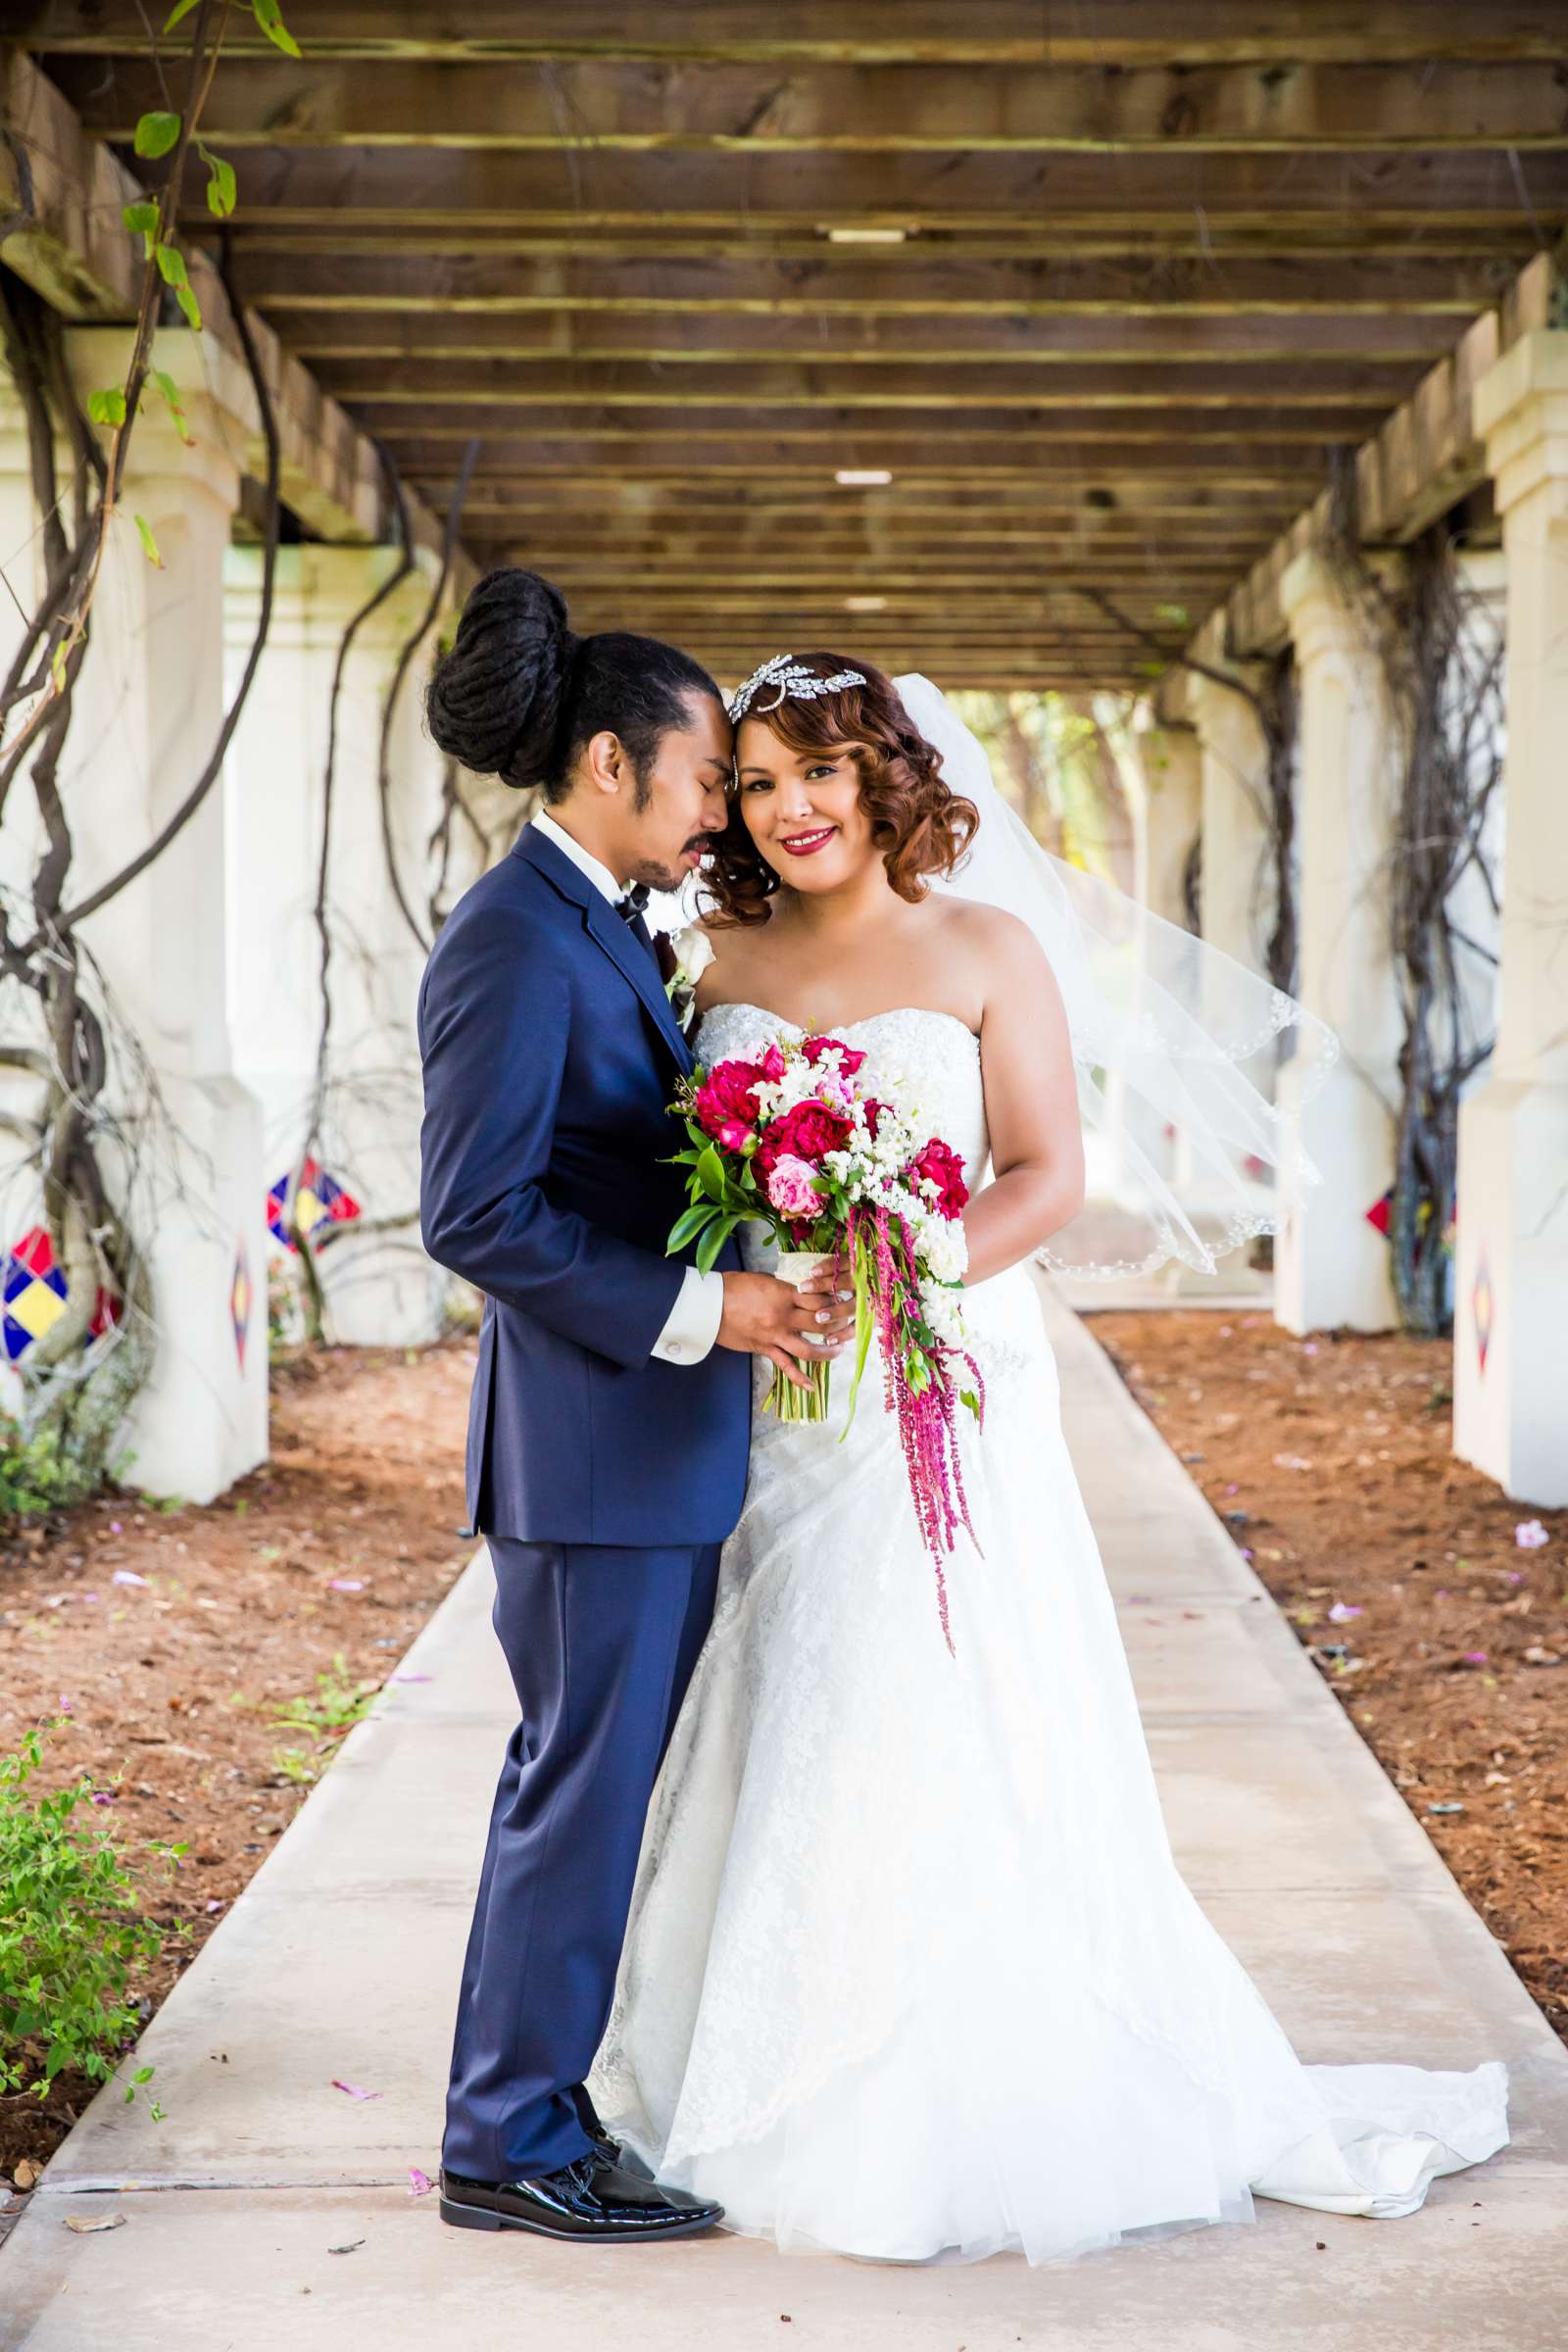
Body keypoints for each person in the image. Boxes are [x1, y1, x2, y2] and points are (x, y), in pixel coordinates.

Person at [587, 654, 1510, 2266]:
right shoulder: (707, 957)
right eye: (753, 781)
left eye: (817, 770)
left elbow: (1048, 1172)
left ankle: (948, 2082)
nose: (788, 806)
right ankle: (732, 2047)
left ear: (883, 775)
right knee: (781, 1681)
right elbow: (675, 1170)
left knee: (933, 1688)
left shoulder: (987, 947)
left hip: (940, 1381)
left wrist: (907, 1269)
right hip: (778, 1386)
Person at [416, 574, 857, 2243]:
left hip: (643, 1455)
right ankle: (506, 2140)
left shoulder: (595, 919)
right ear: (612, 764)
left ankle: (539, 2103)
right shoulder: (516, 937)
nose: (714, 821)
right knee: (576, 1791)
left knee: (597, 1791)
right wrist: (713, 1305)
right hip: (592, 1454)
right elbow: (476, 1211)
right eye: (701, 785)